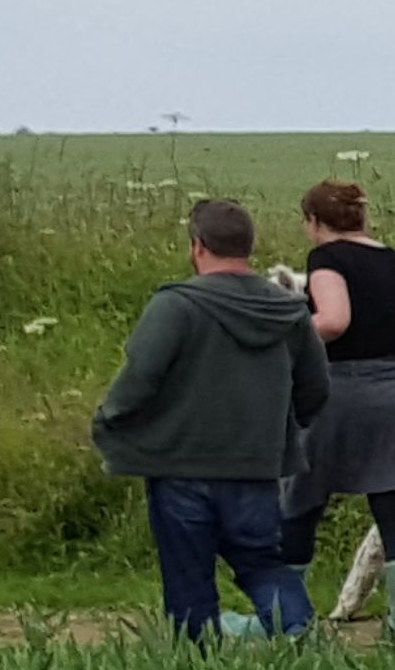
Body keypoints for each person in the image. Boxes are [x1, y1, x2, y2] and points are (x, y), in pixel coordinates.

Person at [87, 194, 330, 641]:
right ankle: (300, 636)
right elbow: (316, 388)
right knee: (262, 563)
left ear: (198, 246)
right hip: (256, 467)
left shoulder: (175, 306)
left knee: (188, 577)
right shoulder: (289, 310)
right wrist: (278, 429)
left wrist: (109, 420)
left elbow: (140, 377)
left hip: (179, 467)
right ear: (249, 247)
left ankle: (196, 669)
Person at [277, 179, 395, 652]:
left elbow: (334, 320)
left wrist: (289, 331)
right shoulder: (394, 260)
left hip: (342, 392)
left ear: (314, 222)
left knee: (301, 501)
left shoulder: (327, 259)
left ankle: (290, 625)